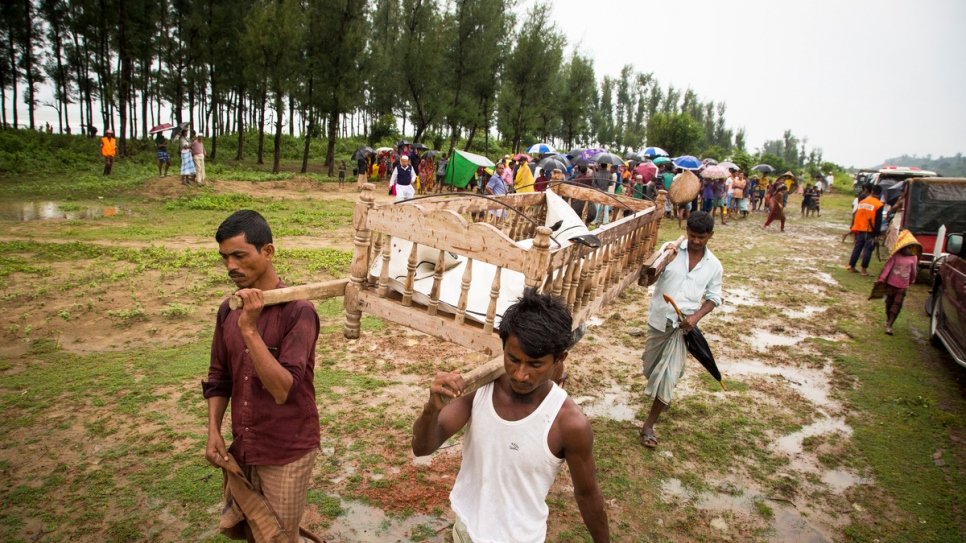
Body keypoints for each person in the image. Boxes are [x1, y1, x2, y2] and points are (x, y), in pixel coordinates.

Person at [411, 289, 610, 543]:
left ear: (559, 359)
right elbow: (422, 447)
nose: (520, 374)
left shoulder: (567, 423)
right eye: (513, 359)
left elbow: (587, 494)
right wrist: (431, 409)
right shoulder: (479, 389)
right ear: (503, 347)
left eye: (535, 364)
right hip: (466, 530)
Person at [202, 210, 322, 542]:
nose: (231, 267)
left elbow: (283, 390)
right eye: (225, 257)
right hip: (244, 443)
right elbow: (219, 376)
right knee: (252, 532)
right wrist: (213, 430)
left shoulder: (299, 312)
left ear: (267, 252)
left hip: (286, 449)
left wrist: (250, 331)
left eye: (239, 255)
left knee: (278, 537)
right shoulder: (228, 309)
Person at [639, 211, 722, 449]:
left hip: (682, 327)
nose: (695, 241)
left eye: (701, 237)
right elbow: (647, 279)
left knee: (668, 376)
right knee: (650, 368)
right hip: (658, 320)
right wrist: (662, 259)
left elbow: (714, 298)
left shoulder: (714, 266)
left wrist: (695, 317)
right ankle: (662, 391)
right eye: (692, 235)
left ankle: (648, 425)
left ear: (710, 236)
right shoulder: (670, 250)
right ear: (686, 231)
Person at [876, 230, 920, 335]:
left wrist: (911, 281)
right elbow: (887, 268)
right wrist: (882, 279)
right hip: (891, 284)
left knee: (897, 304)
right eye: (908, 247)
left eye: (911, 247)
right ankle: (888, 319)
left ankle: (890, 325)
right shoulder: (895, 256)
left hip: (902, 286)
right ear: (902, 246)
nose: (910, 250)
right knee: (889, 303)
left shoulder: (914, 258)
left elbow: (913, 271)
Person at [847, 184, 884, 275]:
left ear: (872, 192)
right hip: (870, 231)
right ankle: (864, 269)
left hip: (860, 229)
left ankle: (851, 266)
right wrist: (877, 234)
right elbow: (878, 221)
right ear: (879, 194)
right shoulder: (879, 204)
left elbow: (857, 215)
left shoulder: (862, 202)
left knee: (857, 248)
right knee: (868, 250)